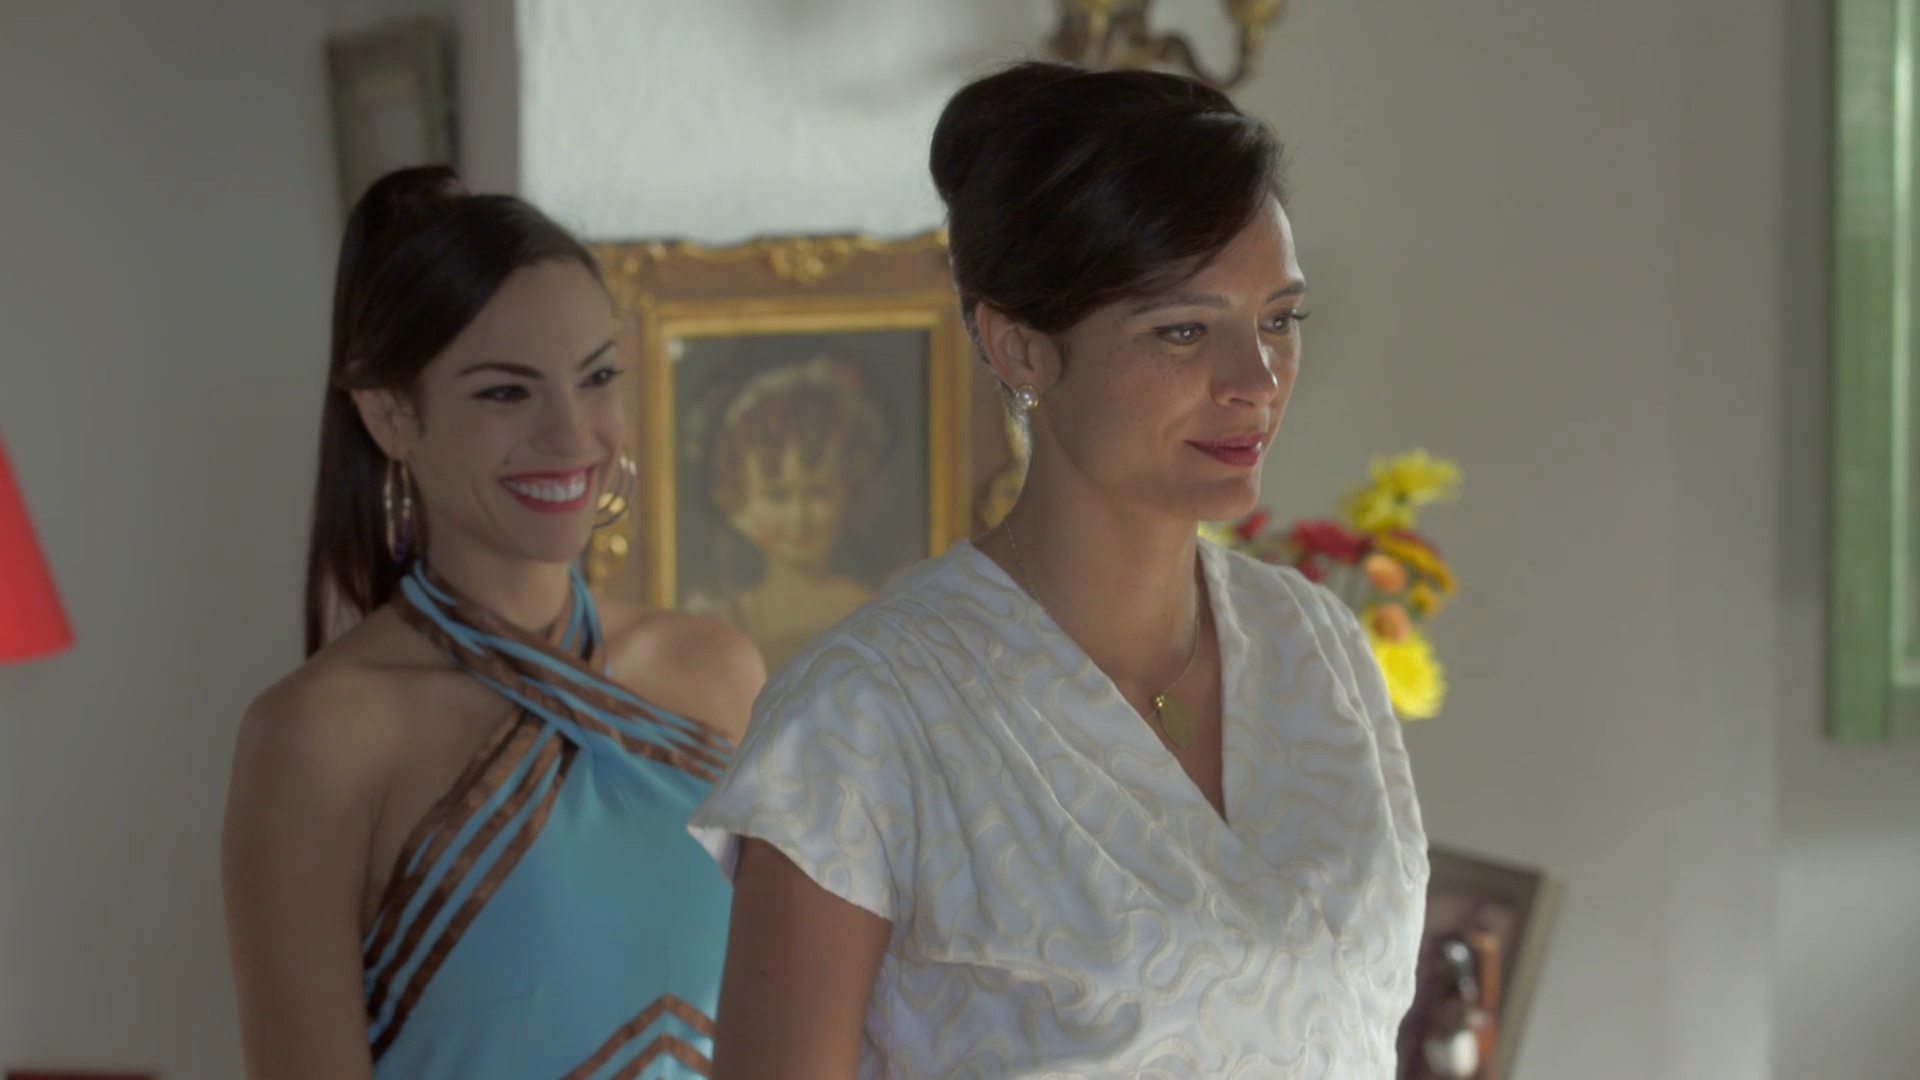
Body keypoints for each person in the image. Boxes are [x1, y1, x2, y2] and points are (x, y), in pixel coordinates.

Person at [688, 62, 1430, 1078]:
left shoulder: (1318, 646)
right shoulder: (862, 718)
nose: (1255, 380)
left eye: (1278, 320)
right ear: (1021, 350)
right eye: (1183, 330)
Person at [221, 166, 764, 1080]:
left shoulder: (721, 672)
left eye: (596, 377)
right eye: (507, 392)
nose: (573, 435)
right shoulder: (316, 737)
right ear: (390, 414)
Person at [686, 354, 891, 671]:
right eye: (777, 496)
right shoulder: (726, 620)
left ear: (850, 492)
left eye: (818, 492)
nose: (799, 517)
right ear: (739, 501)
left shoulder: (873, 612)